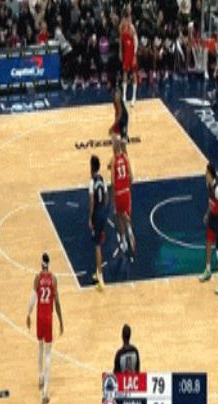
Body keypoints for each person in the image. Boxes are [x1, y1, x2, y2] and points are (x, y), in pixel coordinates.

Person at [26, 253, 64, 404]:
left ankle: (40, 377)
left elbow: (32, 298)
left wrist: (28, 314)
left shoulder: (37, 278)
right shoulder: (53, 279)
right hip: (48, 318)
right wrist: (61, 321)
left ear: (41, 264)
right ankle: (45, 393)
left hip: (39, 317)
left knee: (40, 347)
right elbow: (57, 302)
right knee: (48, 354)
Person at [199, 163, 218, 295]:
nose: (205, 174)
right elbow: (211, 202)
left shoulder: (217, 189)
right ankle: (208, 270)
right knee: (208, 242)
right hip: (212, 217)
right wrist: (207, 213)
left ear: (210, 174)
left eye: (206, 172)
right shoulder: (208, 185)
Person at [112, 324, 140, 404]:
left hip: (122, 391)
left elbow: (115, 376)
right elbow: (138, 371)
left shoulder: (119, 354)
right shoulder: (135, 351)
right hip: (132, 388)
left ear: (122, 336)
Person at [111, 139, 135, 257]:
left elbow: (113, 182)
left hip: (118, 192)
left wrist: (112, 197)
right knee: (126, 215)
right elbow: (131, 177)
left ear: (114, 148)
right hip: (126, 191)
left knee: (119, 216)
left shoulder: (114, 160)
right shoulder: (125, 157)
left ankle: (124, 240)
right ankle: (129, 228)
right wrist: (128, 187)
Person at [89, 155, 108, 291]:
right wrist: (103, 209)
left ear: (91, 167)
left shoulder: (92, 182)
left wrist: (90, 217)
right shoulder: (102, 179)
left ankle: (100, 278)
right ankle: (98, 271)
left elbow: (91, 201)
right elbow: (106, 197)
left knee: (97, 246)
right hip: (103, 212)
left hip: (96, 214)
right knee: (99, 241)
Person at [119, 10, 138, 106]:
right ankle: (124, 96)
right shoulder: (122, 28)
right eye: (126, 18)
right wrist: (120, 52)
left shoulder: (132, 28)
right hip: (126, 53)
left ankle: (134, 97)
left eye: (128, 18)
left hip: (132, 53)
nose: (127, 20)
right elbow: (121, 41)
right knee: (125, 73)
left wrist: (134, 55)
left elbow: (136, 42)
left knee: (134, 74)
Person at [109, 77, 129, 145]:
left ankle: (124, 136)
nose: (106, 85)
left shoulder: (116, 95)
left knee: (123, 141)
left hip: (122, 117)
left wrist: (113, 126)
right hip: (119, 114)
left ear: (111, 84)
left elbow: (120, 112)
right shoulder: (113, 91)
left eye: (108, 83)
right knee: (114, 136)